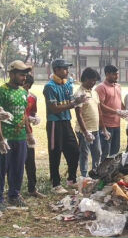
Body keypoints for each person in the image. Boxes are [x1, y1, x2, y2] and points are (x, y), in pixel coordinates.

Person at [44, 59, 87, 194]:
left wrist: (79, 99)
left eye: (67, 68)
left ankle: (71, 180)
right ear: (56, 70)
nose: (67, 71)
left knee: (74, 151)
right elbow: (54, 108)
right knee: (55, 153)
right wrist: (74, 104)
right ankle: (56, 184)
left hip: (66, 121)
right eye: (64, 68)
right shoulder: (50, 87)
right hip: (54, 123)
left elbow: (71, 99)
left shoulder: (68, 83)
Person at [0, 61, 33, 208]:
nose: (24, 78)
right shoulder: (2, 91)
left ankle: (14, 195)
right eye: (21, 74)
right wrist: (1, 140)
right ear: (11, 74)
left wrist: (29, 133)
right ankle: (0, 200)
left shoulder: (23, 92)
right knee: (2, 169)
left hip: (20, 137)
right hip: (5, 137)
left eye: (25, 75)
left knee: (18, 168)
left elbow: (24, 114)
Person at [74, 68, 108, 177]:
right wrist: (85, 132)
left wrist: (104, 129)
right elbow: (78, 114)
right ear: (85, 79)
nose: (94, 83)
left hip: (95, 130)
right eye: (92, 80)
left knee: (97, 153)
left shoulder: (94, 92)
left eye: (95, 81)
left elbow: (99, 111)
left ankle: (95, 173)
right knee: (84, 154)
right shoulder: (79, 94)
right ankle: (84, 176)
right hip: (84, 130)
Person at [96, 65, 128, 160]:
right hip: (105, 124)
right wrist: (116, 112)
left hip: (116, 124)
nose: (117, 76)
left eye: (117, 74)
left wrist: (125, 110)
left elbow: (119, 101)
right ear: (107, 74)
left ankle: (112, 172)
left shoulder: (118, 86)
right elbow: (100, 105)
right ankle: (102, 172)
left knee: (115, 150)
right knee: (105, 151)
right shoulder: (101, 87)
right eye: (114, 74)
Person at [23, 74, 45, 198]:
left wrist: (34, 118)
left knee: (30, 162)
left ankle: (32, 189)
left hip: (28, 133)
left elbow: (32, 112)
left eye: (26, 85)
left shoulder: (32, 98)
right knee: (13, 163)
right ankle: (12, 191)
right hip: (13, 133)